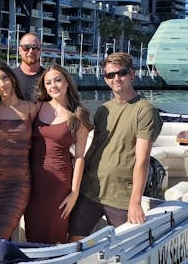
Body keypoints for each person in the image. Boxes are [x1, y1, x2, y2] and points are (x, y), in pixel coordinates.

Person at [68, 52, 163, 241]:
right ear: (105, 79)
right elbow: (94, 149)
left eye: (121, 73)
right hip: (91, 189)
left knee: (127, 247)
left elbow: (142, 160)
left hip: (121, 194)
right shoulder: (103, 110)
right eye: (110, 75)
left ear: (132, 74)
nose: (116, 78)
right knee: (75, 240)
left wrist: (135, 202)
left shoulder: (145, 111)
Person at [24, 64, 93, 244]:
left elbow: (79, 157)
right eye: (48, 82)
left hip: (59, 183)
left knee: (55, 233)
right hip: (32, 181)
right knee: (33, 233)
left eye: (58, 80)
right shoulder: (37, 108)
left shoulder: (78, 115)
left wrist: (74, 193)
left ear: (67, 83)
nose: (53, 85)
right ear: (44, 87)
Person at [0, 60, 37, 239]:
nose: (2, 84)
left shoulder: (30, 108)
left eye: (4, 78)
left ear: (12, 78)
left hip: (18, 184)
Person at [13, 32, 44, 102]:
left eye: (35, 47)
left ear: (40, 50)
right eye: (26, 47)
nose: (31, 51)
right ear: (19, 50)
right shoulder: (11, 77)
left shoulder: (48, 78)